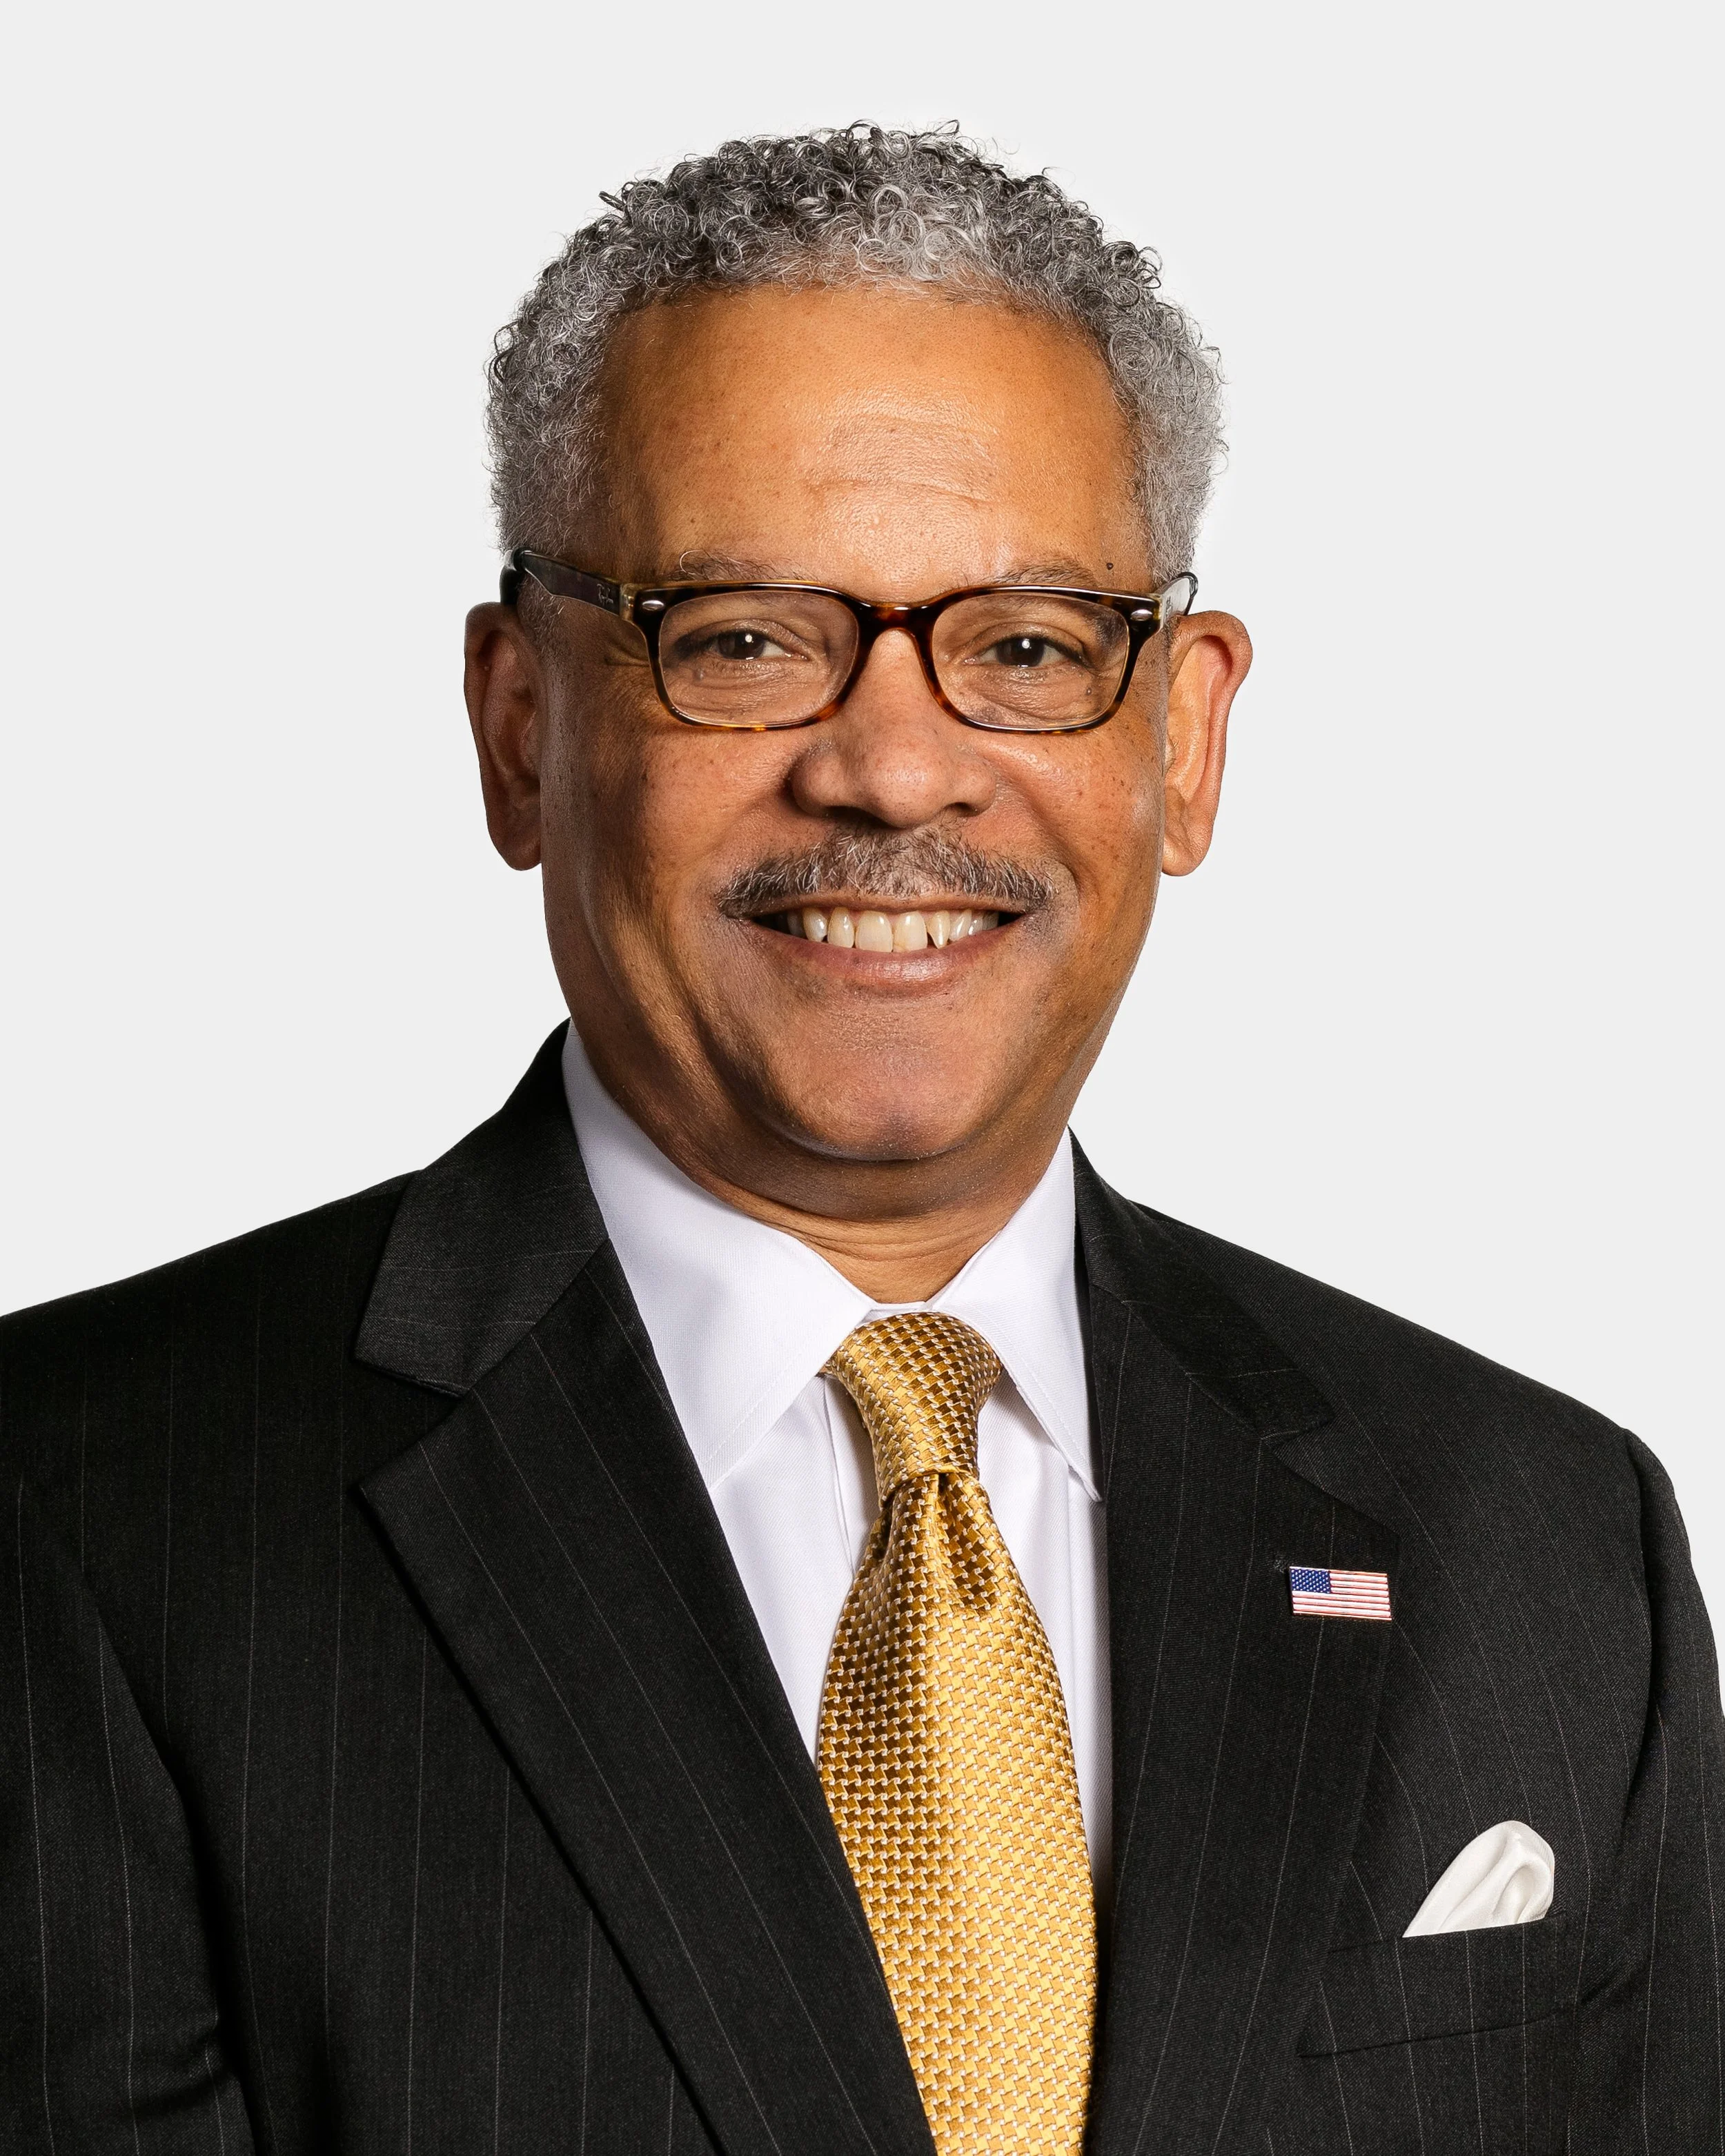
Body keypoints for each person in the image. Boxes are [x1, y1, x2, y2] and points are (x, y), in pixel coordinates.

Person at [1, 123, 1717, 2156]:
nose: (894, 767)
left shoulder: (1536, 1541)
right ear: (521, 725)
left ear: (1183, 739)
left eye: (1025, 646)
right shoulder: (79, 1518)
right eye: (740, 637)